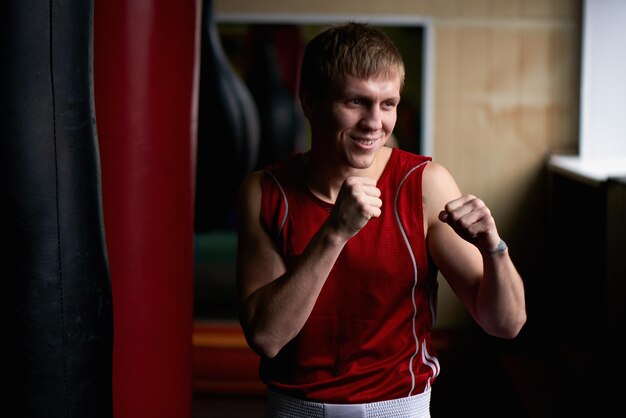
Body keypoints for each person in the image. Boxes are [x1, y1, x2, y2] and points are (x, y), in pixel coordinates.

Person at [235, 22, 526, 418]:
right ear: (309, 102)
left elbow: (506, 324)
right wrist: (335, 232)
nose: (375, 123)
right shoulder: (265, 191)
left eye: (387, 103)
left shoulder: (424, 184)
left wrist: (494, 248)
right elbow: (267, 337)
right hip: (294, 410)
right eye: (356, 102)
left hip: (398, 409)